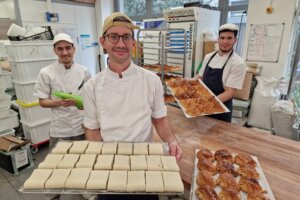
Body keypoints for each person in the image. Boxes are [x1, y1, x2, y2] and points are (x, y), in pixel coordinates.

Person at [82, 12, 183, 200]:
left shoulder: (151, 81)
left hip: (145, 165)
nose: (121, 44)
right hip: (111, 168)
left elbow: (160, 120)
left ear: (133, 43)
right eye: (114, 37)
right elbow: (93, 130)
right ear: (103, 42)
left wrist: (171, 141)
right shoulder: (92, 87)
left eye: (126, 37)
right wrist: (99, 160)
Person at [33, 33, 92, 200]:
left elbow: (90, 97)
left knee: (83, 160)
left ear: (74, 49)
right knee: (56, 162)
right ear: (55, 51)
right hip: (60, 126)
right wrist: (59, 103)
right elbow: (42, 101)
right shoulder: (46, 72)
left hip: (81, 124)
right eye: (60, 49)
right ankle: (53, 192)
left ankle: (84, 188)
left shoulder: (84, 71)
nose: (65, 52)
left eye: (68, 48)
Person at [195, 23, 246, 122]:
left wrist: (207, 103)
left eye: (229, 38)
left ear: (235, 40)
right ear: (218, 39)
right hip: (204, 104)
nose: (225, 41)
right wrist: (184, 83)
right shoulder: (208, 57)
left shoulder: (237, 63)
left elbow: (230, 92)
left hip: (221, 109)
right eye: (222, 38)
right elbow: (199, 77)